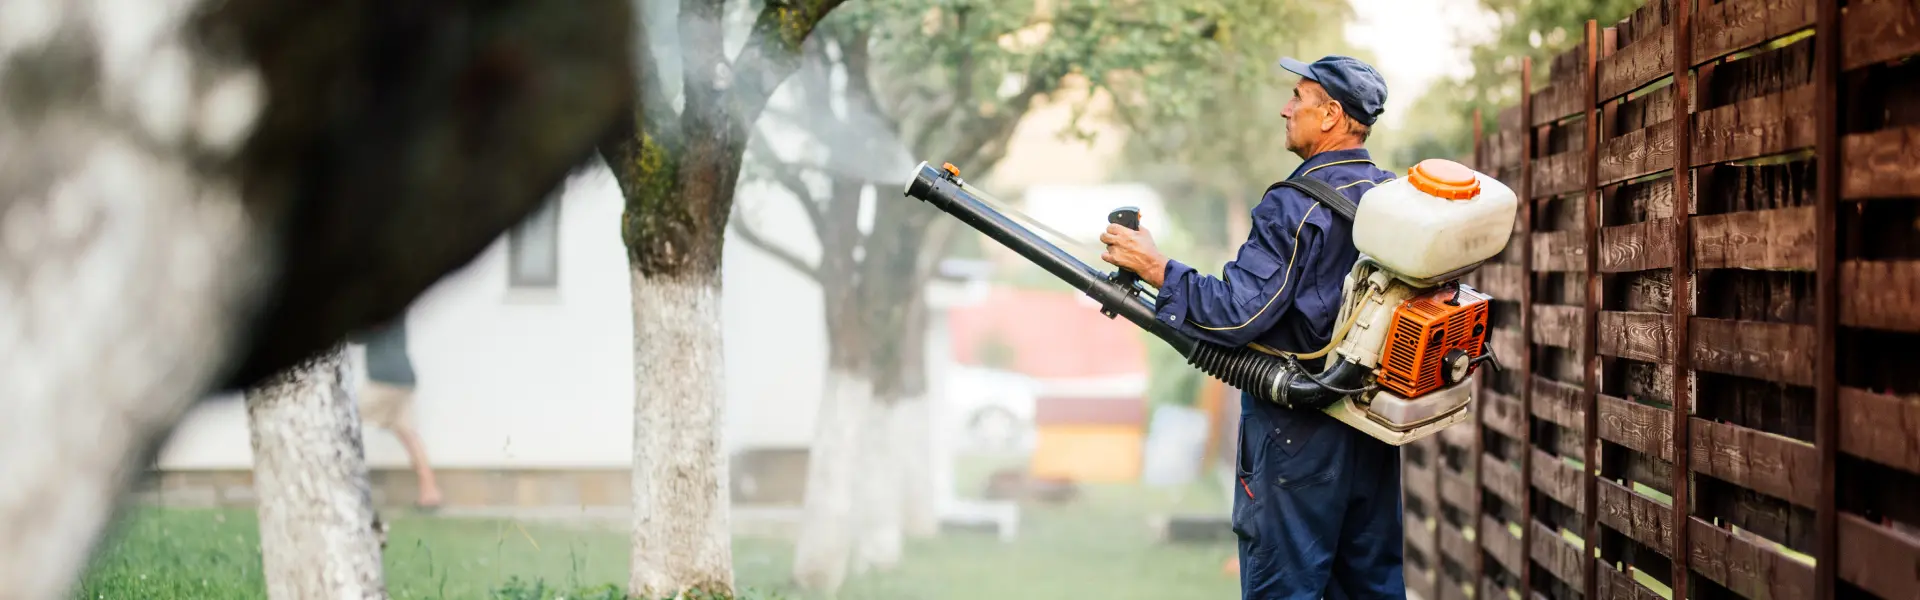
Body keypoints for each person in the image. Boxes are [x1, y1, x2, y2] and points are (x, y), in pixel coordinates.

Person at [1100, 55, 1402, 599]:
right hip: (1369, 432)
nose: (1285, 109)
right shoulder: (1388, 197)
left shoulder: (1295, 204)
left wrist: (1156, 268)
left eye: (1298, 97)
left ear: (1331, 115)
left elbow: (1237, 314)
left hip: (1297, 439)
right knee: (1369, 588)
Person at [356, 317, 443, 509]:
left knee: (346, 417)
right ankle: (430, 492)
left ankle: (344, 483)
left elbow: (360, 334)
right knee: (407, 433)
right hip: (404, 377)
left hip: (384, 379)